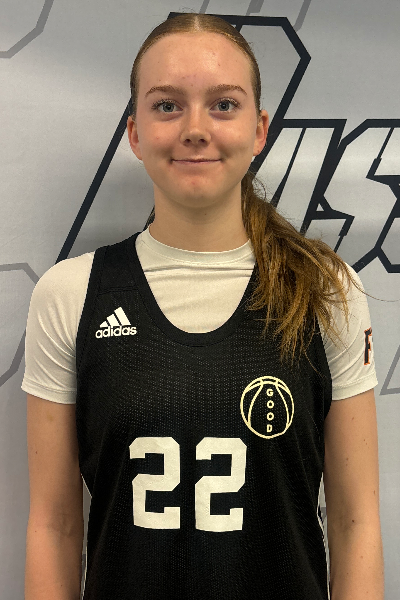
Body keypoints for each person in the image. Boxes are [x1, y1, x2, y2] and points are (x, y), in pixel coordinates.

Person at [23, 12, 384, 600]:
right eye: (167, 105)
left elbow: (355, 522)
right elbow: (54, 526)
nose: (195, 129)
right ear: (135, 132)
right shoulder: (71, 295)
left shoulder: (324, 289)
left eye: (223, 105)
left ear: (259, 129)